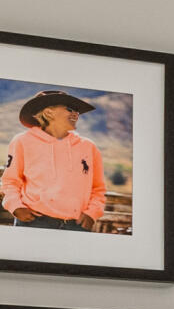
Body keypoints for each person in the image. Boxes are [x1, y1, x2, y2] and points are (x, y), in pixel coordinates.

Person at [2, 90, 111, 231]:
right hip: (34, 223)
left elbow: (98, 188)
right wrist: (15, 206)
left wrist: (92, 213)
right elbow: (10, 181)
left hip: (76, 226)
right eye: (70, 109)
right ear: (48, 113)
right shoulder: (22, 141)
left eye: (77, 111)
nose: (76, 114)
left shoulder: (88, 147)